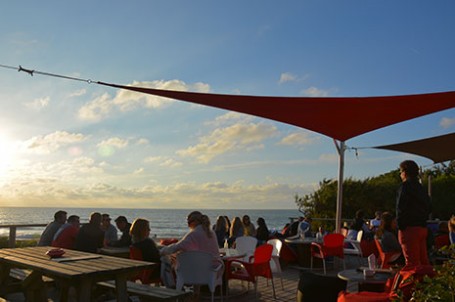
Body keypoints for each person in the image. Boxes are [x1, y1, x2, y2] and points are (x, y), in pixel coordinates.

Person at [396, 160, 431, 269]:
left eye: (400, 171)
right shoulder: (421, 188)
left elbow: (400, 208)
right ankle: (427, 284)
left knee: (412, 264)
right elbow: (429, 206)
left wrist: (401, 226)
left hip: (409, 229)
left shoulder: (405, 187)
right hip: (422, 228)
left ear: (404, 172)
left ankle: (412, 285)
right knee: (423, 261)